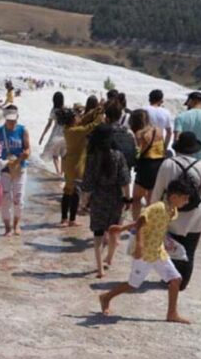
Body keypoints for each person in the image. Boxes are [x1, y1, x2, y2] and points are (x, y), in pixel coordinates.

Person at [99, 179, 193, 325]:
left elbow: (146, 222)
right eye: (185, 198)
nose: (186, 201)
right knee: (133, 284)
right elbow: (142, 220)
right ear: (174, 197)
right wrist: (139, 245)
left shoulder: (172, 211)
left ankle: (172, 313)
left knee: (175, 279)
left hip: (158, 251)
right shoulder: (158, 207)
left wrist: (121, 229)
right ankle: (106, 297)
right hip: (144, 253)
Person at [151, 132, 201, 291]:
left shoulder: (168, 164)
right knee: (188, 253)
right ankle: (182, 284)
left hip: (171, 213)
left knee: (169, 250)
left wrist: (153, 212)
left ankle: (169, 280)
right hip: (194, 217)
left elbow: (158, 191)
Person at [80, 125, 131, 278]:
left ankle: (99, 268)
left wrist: (84, 202)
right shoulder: (118, 155)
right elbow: (125, 180)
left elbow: (88, 183)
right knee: (113, 229)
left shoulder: (92, 157)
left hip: (98, 198)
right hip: (115, 198)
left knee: (98, 233)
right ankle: (109, 258)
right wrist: (127, 198)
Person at [57, 105, 103, 227]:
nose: (79, 118)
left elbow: (83, 119)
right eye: (76, 117)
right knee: (72, 192)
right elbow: (92, 126)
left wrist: (95, 109)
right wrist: (99, 116)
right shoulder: (74, 131)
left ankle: (68, 219)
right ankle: (67, 219)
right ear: (72, 120)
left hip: (71, 164)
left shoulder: (70, 128)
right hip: (76, 166)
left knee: (70, 191)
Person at [0, 105, 30, 236]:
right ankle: (7, 227)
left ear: (17, 117)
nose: (11, 122)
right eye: (9, 120)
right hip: (4, 169)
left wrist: (23, 156)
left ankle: (16, 225)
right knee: (5, 199)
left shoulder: (22, 130)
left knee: (18, 199)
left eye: (13, 120)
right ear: (5, 118)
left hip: (19, 168)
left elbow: (27, 149)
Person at [129, 109, 166, 220]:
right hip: (159, 165)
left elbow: (138, 152)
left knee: (136, 198)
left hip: (146, 165)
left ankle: (136, 223)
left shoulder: (140, 134)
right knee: (151, 198)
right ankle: (150, 224)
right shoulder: (158, 130)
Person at [174, 91, 201, 166]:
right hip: (200, 161)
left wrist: (178, 157)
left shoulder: (180, 117)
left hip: (183, 161)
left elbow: (176, 139)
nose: (187, 105)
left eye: (188, 103)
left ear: (192, 101)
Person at [39, 91, 66, 175]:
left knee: (55, 154)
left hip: (56, 134)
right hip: (65, 134)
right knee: (63, 154)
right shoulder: (66, 109)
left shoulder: (54, 110)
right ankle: (62, 172)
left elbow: (49, 124)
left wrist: (42, 135)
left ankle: (58, 172)